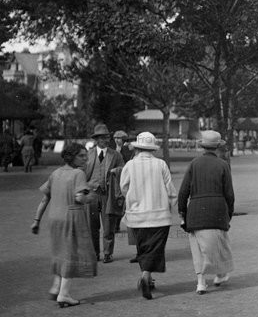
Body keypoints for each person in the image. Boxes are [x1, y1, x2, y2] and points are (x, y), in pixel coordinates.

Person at [31, 143, 96, 307]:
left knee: (60, 251)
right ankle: (64, 294)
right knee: (72, 254)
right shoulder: (78, 173)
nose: (85, 158)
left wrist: (36, 220)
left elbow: (45, 198)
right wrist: (92, 196)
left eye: (85, 155)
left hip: (54, 217)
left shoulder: (55, 173)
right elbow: (81, 198)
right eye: (81, 155)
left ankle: (55, 287)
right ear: (71, 156)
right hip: (71, 216)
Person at [120, 132, 177, 300]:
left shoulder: (130, 165)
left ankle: (148, 277)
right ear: (153, 149)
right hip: (159, 214)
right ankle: (146, 275)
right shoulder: (160, 164)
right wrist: (170, 205)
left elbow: (124, 188)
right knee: (156, 247)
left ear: (137, 148)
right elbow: (170, 188)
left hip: (137, 215)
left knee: (142, 247)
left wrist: (132, 200)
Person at [178, 130, 235, 295]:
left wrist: (182, 211)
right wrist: (228, 214)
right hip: (217, 210)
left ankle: (201, 282)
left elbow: (183, 192)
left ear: (202, 146)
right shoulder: (223, 165)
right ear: (218, 147)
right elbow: (229, 194)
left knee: (197, 247)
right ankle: (220, 273)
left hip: (196, 210)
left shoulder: (194, 164)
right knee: (219, 244)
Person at [84, 124, 124, 263]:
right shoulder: (88, 155)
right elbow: (81, 173)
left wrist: (116, 171)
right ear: (96, 139)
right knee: (92, 227)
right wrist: (87, 187)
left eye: (107, 137)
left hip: (108, 194)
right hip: (92, 195)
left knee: (109, 226)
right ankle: (95, 253)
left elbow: (124, 170)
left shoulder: (115, 155)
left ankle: (108, 253)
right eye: (102, 138)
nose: (106, 140)